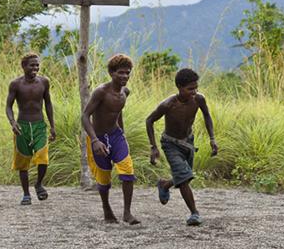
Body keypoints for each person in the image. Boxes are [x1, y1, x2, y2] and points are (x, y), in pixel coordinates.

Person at [146, 68, 218, 226]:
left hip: (188, 142)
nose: (194, 91)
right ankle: (194, 213)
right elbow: (149, 120)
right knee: (184, 178)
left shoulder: (199, 99)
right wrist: (153, 147)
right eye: (190, 89)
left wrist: (212, 138)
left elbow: (207, 115)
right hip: (170, 143)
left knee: (185, 175)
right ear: (179, 87)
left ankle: (165, 184)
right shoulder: (168, 104)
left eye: (196, 88)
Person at [81, 54, 140, 224]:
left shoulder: (125, 92)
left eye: (127, 73)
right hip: (98, 137)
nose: (124, 77)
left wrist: (122, 132)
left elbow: (117, 112)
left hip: (116, 136)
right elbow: (85, 116)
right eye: (120, 73)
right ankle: (107, 209)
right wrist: (94, 140)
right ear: (111, 73)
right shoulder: (101, 92)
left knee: (127, 171)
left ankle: (127, 213)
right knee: (104, 179)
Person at [6, 53, 56, 205]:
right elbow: (8, 106)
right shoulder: (16, 84)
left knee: (43, 159)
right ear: (23, 66)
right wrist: (13, 122)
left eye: (37, 65)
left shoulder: (44, 82)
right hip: (22, 127)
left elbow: (48, 103)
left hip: (40, 126)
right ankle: (26, 194)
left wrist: (52, 126)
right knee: (23, 162)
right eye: (31, 65)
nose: (35, 68)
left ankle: (39, 184)